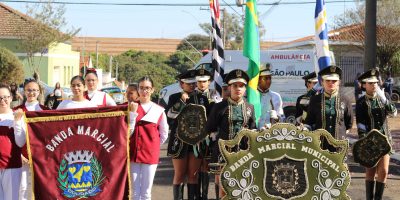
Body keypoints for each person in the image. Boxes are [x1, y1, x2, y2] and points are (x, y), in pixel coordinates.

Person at [206, 69, 257, 198]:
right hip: (223, 151)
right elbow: (210, 128)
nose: (238, 88)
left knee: (242, 185)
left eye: (241, 86)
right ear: (229, 87)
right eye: (235, 85)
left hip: (243, 152)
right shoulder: (219, 107)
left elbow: (253, 129)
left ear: (245, 89)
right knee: (223, 185)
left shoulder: (250, 107)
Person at [166, 69, 210, 200]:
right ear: (181, 84)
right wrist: (181, 102)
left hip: (197, 142)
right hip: (179, 141)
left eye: (193, 83)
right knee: (179, 175)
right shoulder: (174, 97)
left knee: (193, 175)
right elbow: (170, 117)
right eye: (188, 83)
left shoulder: (202, 98)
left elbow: (207, 119)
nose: (192, 85)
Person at [356, 69, 397, 200]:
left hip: (385, 141)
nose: (374, 85)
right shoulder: (361, 102)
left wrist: (384, 98)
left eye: (375, 83)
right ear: (364, 85)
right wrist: (363, 142)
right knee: (370, 172)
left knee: (384, 172)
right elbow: (361, 124)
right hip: (370, 142)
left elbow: (394, 112)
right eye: (370, 83)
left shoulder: (383, 98)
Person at [128, 77, 168, 200]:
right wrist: (133, 114)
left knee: (146, 192)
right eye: (141, 88)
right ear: (138, 89)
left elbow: (164, 133)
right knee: (134, 191)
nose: (144, 91)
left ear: (152, 90)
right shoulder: (131, 107)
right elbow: (128, 132)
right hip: (134, 152)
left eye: (147, 88)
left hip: (150, 153)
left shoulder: (159, 110)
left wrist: (153, 145)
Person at [13, 79, 48, 200]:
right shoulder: (17, 111)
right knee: (23, 189)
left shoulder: (46, 111)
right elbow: (13, 137)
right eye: (28, 90)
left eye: (34, 90)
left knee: (42, 187)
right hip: (23, 158)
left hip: (42, 158)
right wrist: (19, 155)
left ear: (39, 92)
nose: (31, 93)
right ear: (23, 91)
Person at [305, 65, 353, 151]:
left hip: (340, 147)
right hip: (320, 147)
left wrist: (340, 136)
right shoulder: (315, 100)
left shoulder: (345, 99)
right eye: (327, 81)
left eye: (334, 81)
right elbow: (309, 122)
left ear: (339, 82)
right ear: (322, 82)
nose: (331, 83)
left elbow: (349, 124)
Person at [0, 83, 26, 200]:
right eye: (0, 98)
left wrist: (16, 121)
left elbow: (20, 142)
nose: (2, 100)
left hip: (11, 166)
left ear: (11, 98)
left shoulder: (17, 116)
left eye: (5, 97)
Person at [257, 63, 284, 129]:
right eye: (265, 78)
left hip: (270, 133)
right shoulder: (252, 95)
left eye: (270, 78)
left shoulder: (276, 96)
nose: (269, 81)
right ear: (258, 80)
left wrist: (276, 118)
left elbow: (281, 118)